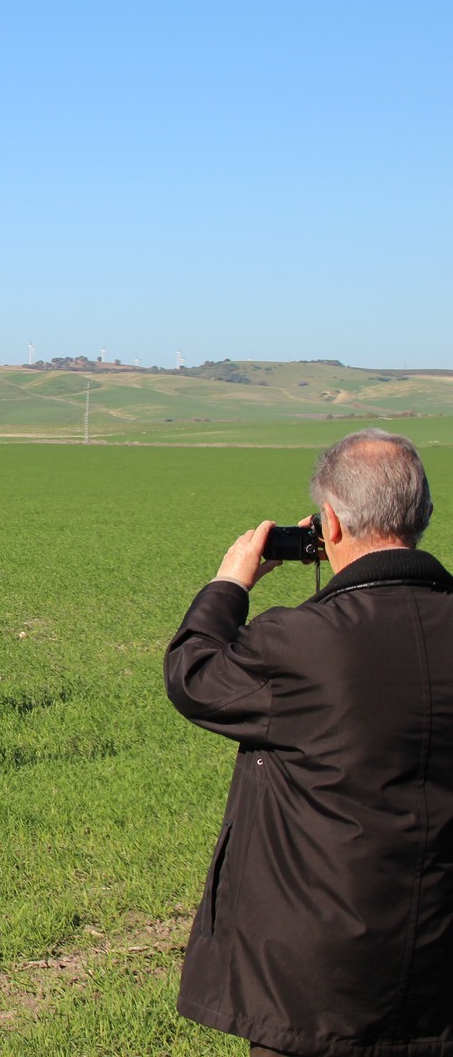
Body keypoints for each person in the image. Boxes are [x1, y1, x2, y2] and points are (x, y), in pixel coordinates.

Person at [164, 428, 453, 1056]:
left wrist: (229, 586)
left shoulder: (299, 642)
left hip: (312, 986)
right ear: (424, 516)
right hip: (439, 965)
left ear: (329, 524)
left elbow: (193, 677)